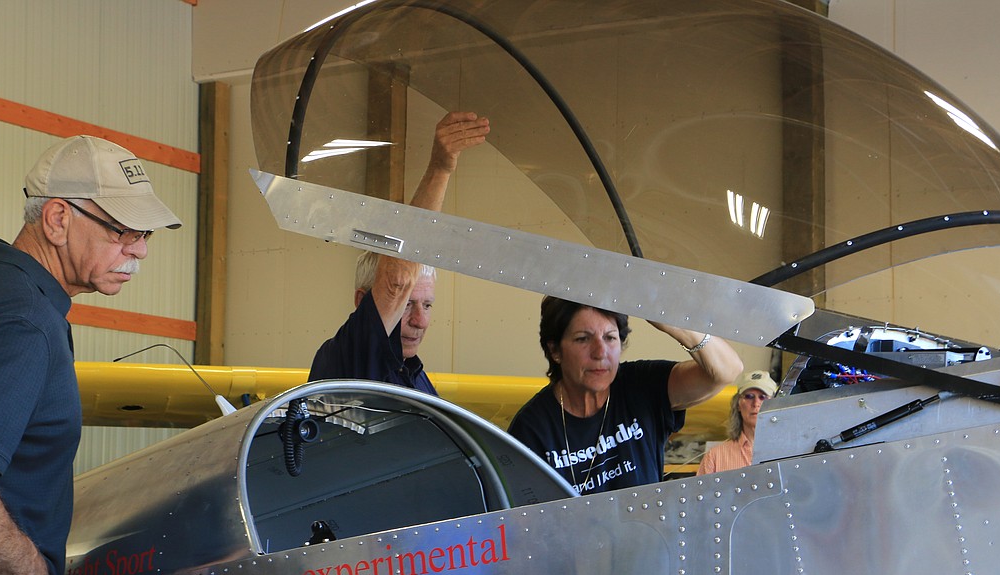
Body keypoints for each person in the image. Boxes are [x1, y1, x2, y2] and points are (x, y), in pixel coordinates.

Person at [0, 135, 181, 575]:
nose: (140, 252)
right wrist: (29, 574)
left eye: (146, 235)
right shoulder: (26, 320)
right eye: (124, 231)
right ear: (58, 219)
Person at [309, 111, 491, 391]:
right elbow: (397, 278)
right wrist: (440, 170)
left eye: (427, 305)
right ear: (361, 301)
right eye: (407, 304)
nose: (420, 321)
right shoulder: (348, 356)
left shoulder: (415, 375)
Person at [508, 297, 743, 495]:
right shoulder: (531, 428)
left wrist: (672, 321)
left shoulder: (641, 385)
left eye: (610, 338)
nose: (600, 353)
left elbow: (728, 370)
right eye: (582, 339)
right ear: (555, 351)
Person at [696, 369, 777, 476]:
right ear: (738, 404)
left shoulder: (790, 453)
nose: (756, 403)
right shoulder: (715, 457)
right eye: (749, 396)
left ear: (775, 404)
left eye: (763, 397)